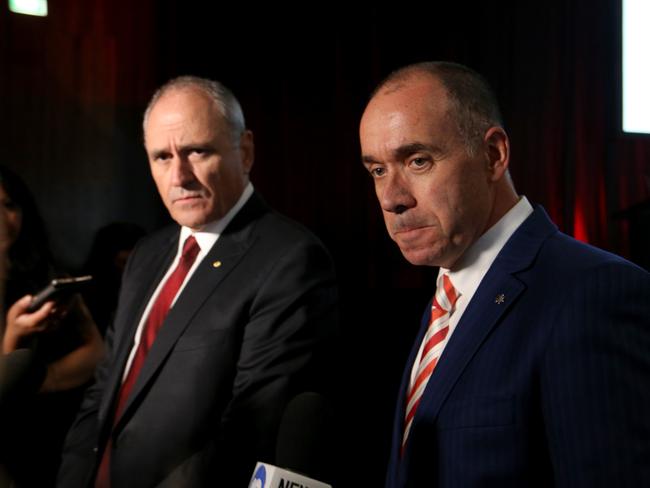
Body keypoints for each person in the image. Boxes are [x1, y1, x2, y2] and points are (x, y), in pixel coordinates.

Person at [359, 61, 650, 487]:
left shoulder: (593, 294)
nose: (391, 198)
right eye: (378, 170)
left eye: (418, 161)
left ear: (493, 155)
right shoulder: (448, 295)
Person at [57, 76, 338, 488]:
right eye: (161, 158)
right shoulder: (146, 254)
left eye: (196, 151)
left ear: (245, 151)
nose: (179, 176)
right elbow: (105, 391)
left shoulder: (291, 258)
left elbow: (252, 426)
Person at [0, 165, 104, 487]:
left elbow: (97, 351)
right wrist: (15, 335)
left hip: (48, 433)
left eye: (9, 205)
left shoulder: (43, 273)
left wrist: (41, 379)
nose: (3, 218)